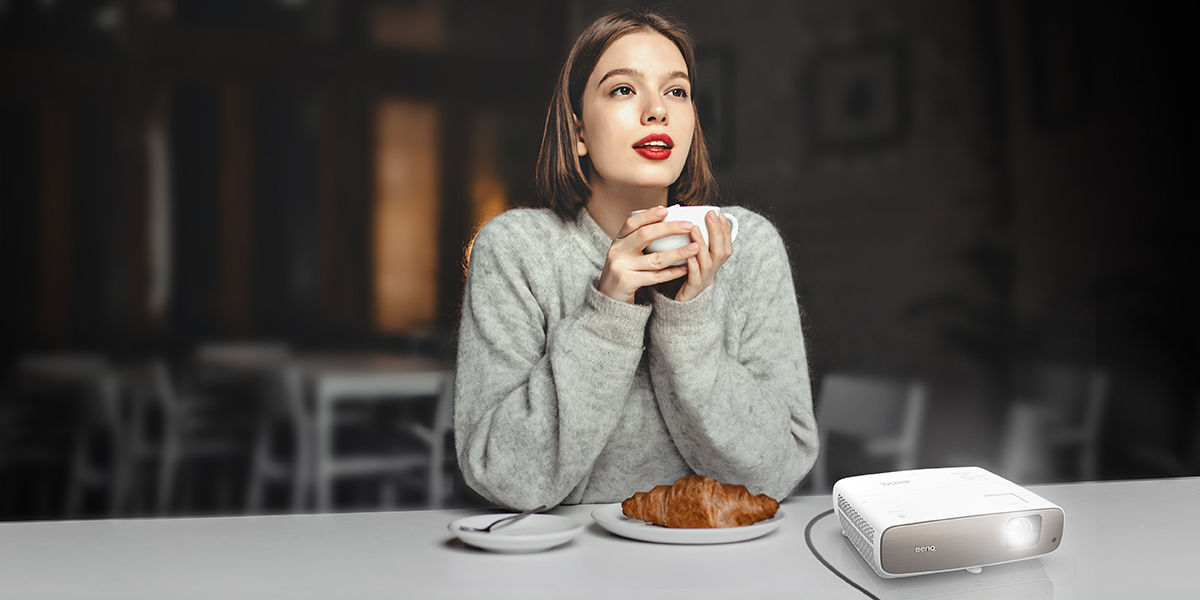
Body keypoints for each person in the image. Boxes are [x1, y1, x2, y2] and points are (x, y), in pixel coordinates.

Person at [454, 9, 817, 510]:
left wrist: (687, 322)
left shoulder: (747, 246)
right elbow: (502, 476)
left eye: (677, 91)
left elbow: (777, 472)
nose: (656, 111)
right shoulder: (517, 249)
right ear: (578, 131)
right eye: (623, 89)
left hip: (719, 564)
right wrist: (606, 312)